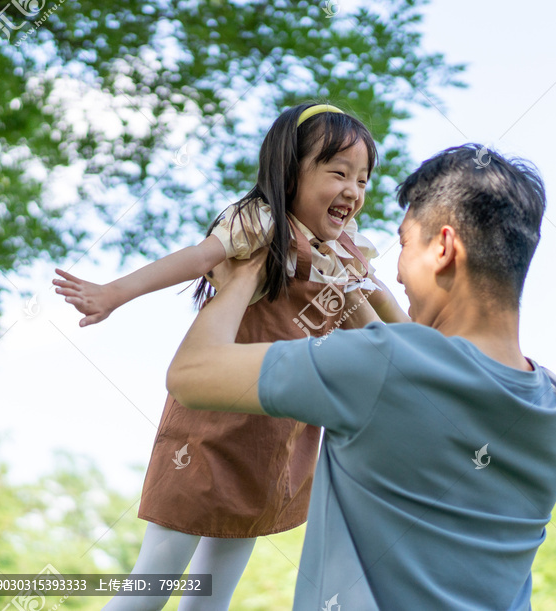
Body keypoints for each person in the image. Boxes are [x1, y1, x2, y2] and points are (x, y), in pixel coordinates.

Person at [165, 144, 556, 610]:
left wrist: (242, 276)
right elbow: (430, 367)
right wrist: (365, 293)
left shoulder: (379, 365)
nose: (397, 274)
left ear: (442, 248)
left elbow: (190, 373)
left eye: (403, 245)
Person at [52, 103, 409, 610]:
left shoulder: (345, 254)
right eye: (338, 172)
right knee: (156, 574)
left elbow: (386, 327)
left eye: (364, 179)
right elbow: (196, 259)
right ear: (290, 173)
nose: (354, 190)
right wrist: (115, 292)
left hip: (275, 438)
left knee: (215, 591)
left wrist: (434, 362)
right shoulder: (263, 224)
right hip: (211, 428)